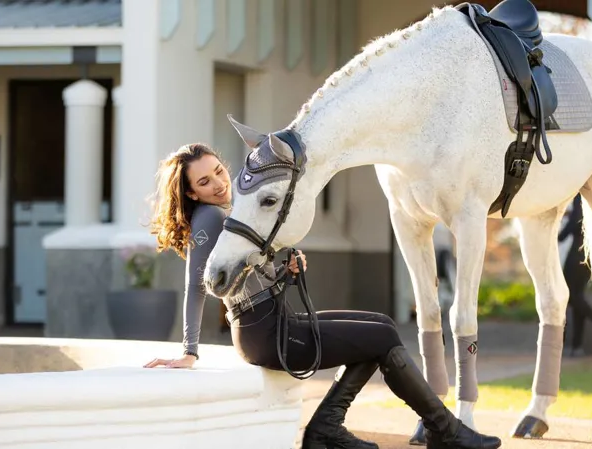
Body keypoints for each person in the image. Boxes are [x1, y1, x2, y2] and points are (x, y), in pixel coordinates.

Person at [143, 143, 501, 449]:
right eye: (205, 181)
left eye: (220, 172)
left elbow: (253, 277)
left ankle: (331, 426)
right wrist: (189, 351)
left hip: (277, 321)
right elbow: (197, 285)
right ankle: (444, 430)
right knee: (380, 336)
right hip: (264, 333)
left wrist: (285, 270)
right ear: (191, 193)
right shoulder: (209, 218)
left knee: (380, 328)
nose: (220, 184)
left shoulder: (231, 214)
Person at [558, 194, 592, 357]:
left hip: (580, 252)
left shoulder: (580, 192)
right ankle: (577, 345)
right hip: (585, 250)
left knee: (571, 297)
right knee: (577, 297)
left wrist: (559, 235)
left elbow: (577, 219)